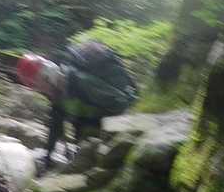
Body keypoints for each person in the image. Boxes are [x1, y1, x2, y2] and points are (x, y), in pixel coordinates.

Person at [17, 41, 139, 170]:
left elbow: (121, 103)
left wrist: (110, 134)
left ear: (46, 76)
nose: (40, 90)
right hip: (97, 128)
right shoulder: (58, 93)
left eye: (38, 85)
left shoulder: (79, 81)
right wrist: (47, 156)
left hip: (119, 123)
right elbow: (55, 126)